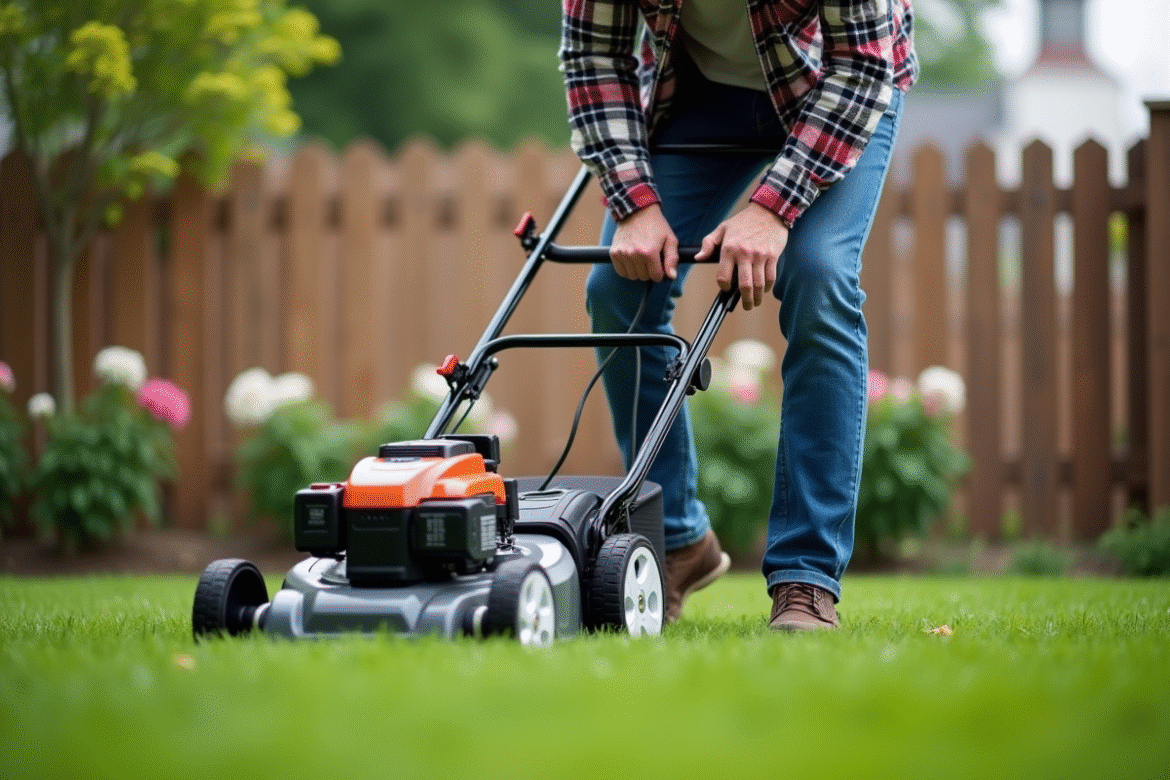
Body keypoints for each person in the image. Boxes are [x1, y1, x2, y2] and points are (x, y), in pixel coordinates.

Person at [559, 0, 917, 629]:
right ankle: (675, 542)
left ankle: (806, 579)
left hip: (837, 86)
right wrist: (635, 202)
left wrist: (772, 209)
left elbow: (863, 66)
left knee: (819, 275)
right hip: (699, 90)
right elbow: (594, 53)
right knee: (618, 291)